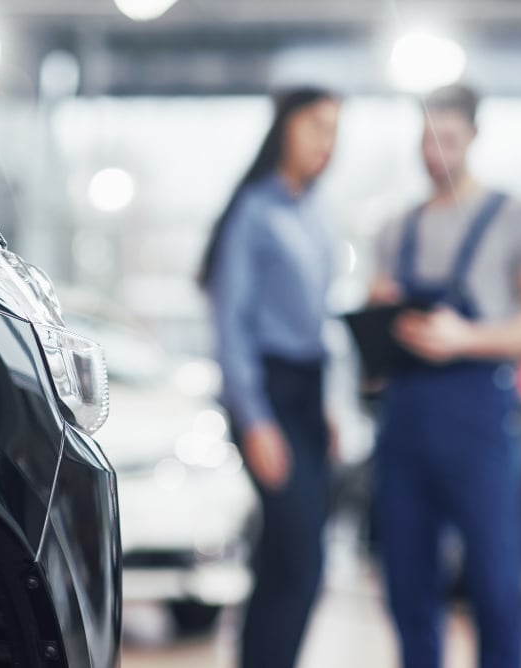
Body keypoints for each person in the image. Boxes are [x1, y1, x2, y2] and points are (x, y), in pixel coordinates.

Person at [368, 84, 521, 668]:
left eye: (450, 138)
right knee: (406, 586)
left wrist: (468, 338)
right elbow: (376, 353)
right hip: (404, 426)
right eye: (428, 138)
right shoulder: (394, 229)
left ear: (474, 136)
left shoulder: (516, 218)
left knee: (495, 586)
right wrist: (379, 325)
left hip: (478, 422)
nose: (436, 151)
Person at [200, 87, 342, 668]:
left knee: (282, 560)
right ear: (283, 129)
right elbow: (230, 325)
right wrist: (255, 419)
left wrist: (328, 407)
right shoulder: (253, 211)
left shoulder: (313, 211)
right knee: (303, 559)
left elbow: (319, 322)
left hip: (308, 397)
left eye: (334, 131)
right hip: (269, 396)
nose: (325, 143)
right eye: (314, 127)